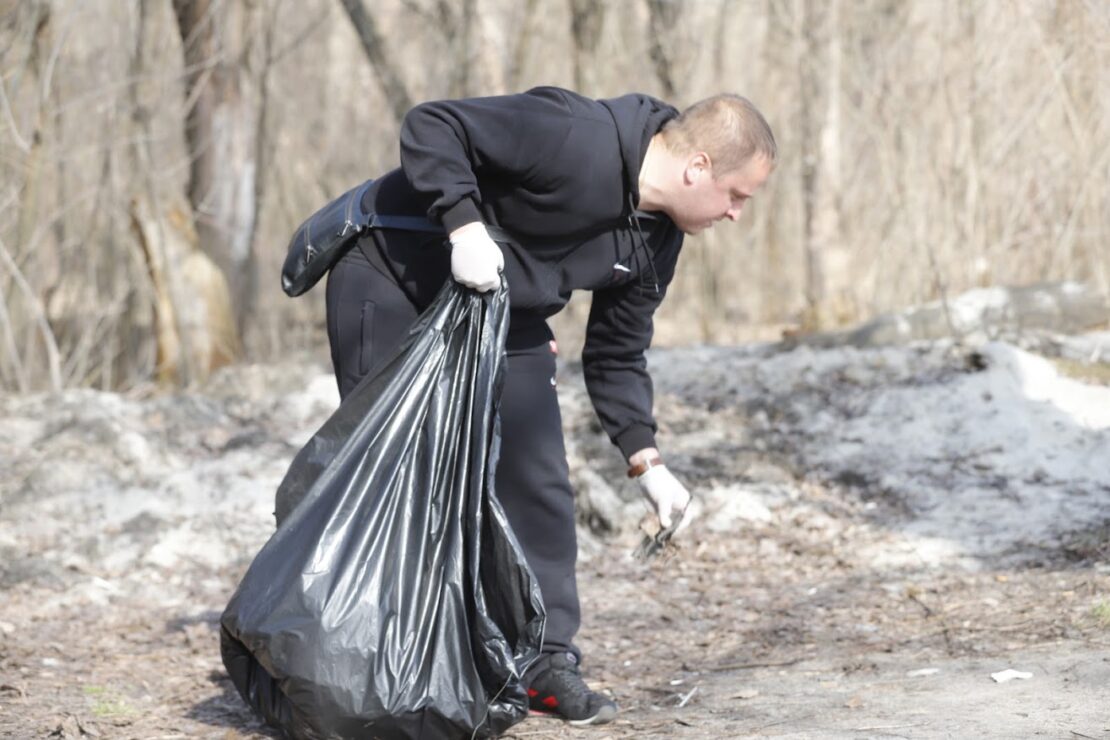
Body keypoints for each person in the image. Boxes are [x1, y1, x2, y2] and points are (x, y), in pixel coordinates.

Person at [324, 86, 775, 726]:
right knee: (402, 475)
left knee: (538, 481)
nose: (735, 215)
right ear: (697, 166)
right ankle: (390, 656)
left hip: (507, 305)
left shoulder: (658, 240)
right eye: (736, 195)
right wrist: (464, 226)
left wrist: (647, 462)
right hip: (396, 267)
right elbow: (433, 124)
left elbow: (617, 352)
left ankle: (542, 661)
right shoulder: (573, 134)